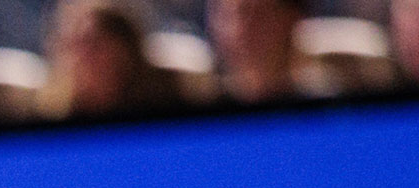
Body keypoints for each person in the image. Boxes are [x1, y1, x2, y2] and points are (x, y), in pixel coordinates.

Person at [43, 0, 184, 117]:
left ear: (125, 50)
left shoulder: (165, 99)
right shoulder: (53, 112)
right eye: (72, 46)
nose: (80, 58)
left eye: (93, 44)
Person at [212, 0, 308, 100]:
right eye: (228, 17)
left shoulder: (318, 108)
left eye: (259, 15)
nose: (240, 31)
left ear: (291, 18)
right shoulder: (205, 108)